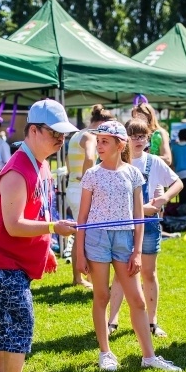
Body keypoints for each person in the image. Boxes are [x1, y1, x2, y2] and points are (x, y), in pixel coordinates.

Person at [0, 99, 79, 372]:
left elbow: (39, 209)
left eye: (63, 134)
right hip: (0, 260)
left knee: (3, 322)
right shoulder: (17, 171)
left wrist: (46, 247)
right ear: (33, 131)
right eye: (54, 133)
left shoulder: (41, 164)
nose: (60, 139)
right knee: (19, 323)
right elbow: (14, 224)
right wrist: (53, 228)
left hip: (10, 260)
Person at [75, 120, 181, 372]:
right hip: (97, 239)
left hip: (125, 240)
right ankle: (105, 352)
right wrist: (79, 254)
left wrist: (137, 252)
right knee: (101, 296)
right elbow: (82, 218)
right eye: (98, 141)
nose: (99, 146)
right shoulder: (92, 175)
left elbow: (138, 216)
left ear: (120, 144)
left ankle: (149, 357)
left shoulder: (133, 173)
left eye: (104, 141)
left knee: (138, 300)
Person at [108, 119, 183, 338]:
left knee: (149, 273)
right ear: (124, 139)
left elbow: (177, 182)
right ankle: (112, 321)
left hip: (149, 225)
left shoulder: (154, 162)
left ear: (148, 138)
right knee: (120, 274)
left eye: (142, 136)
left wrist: (164, 199)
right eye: (133, 136)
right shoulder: (117, 162)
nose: (138, 140)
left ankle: (152, 322)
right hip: (124, 225)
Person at [65, 104, 113, 288]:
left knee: (81, 233)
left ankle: (79, 278)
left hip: (73, 187)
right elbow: (90, 157)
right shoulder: (90, 137)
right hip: (81, 190)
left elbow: (68, 162)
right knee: (87, 234)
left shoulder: (77, 134)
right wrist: (88, 181)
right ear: (101, 123)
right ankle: (86, 278)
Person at [131, 101, 171, 166]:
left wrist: (147, 157)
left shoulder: (159, 133)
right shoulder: (132, 135)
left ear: (149, 116)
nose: (136, 120)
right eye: (134, 117)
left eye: (139, 116)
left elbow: (167, 159)